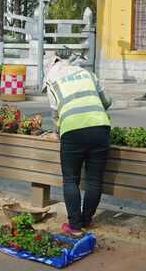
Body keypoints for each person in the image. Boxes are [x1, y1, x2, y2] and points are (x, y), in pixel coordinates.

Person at [43, 58, 112, 236]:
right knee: (94, 179)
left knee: (71, 179)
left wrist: (57, 132)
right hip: (100, 127)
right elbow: (106, 102)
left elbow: (56, 114)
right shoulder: (88, 74)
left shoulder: (52, 81)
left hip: (72, 131)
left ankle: (75, 226)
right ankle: (87, 220)